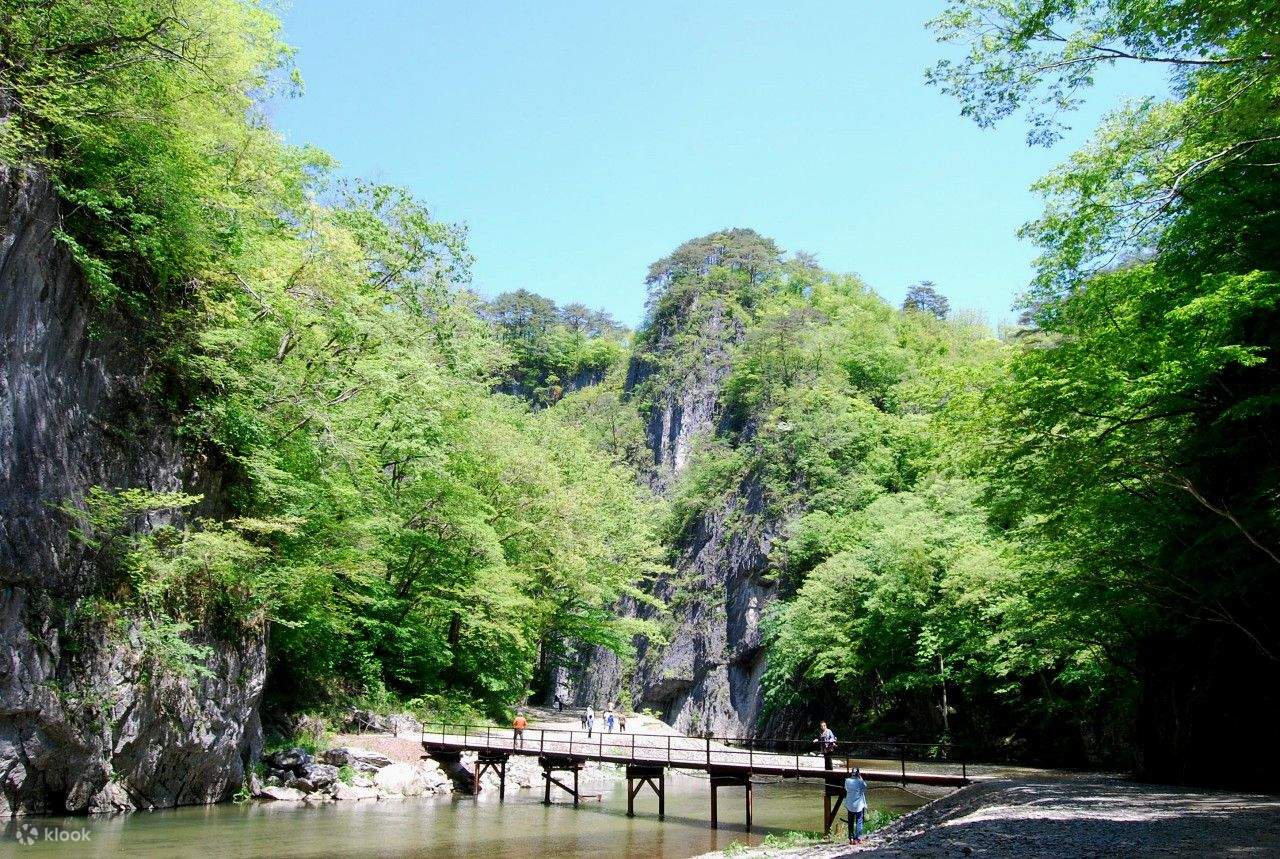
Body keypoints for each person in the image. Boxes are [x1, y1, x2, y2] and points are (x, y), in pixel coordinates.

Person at [844, 767, 868, 844]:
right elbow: (865, 788)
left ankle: (851, 839)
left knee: (850, 822)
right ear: (858, 774)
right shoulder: (860, 781)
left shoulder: (847, 781)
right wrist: (860, 778)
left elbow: (846, 789)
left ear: (851, 773)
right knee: (859, 821)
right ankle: (857, 838)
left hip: (850, 805)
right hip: (859, 806)